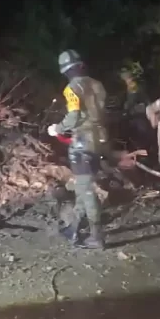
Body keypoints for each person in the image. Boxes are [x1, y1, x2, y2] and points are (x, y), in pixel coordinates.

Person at [47, 49, 108, 249]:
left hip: (83, 142)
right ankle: (74, 227)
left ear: (65, 71)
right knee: (83, 185)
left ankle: (96, 236)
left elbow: (73, 117)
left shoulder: (71, 89)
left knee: (87, 190)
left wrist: (58, 128)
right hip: (99, 140)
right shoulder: (97, 84)